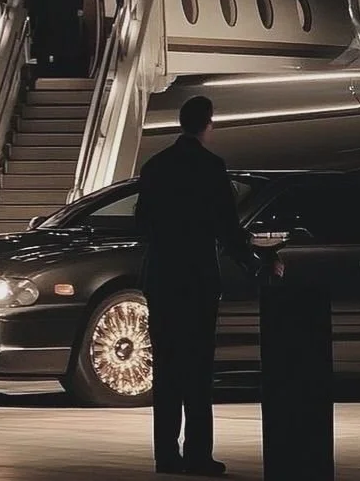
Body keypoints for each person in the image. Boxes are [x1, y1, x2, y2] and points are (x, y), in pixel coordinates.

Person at [135, 96, 281, 476]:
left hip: (162, 277)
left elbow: (142, 221)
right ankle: (199, 453)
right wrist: (253, 264)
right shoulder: (211, 167)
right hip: (197, 279)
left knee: (166, 369)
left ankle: (166, 454)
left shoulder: (155, 166)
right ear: (207, 125)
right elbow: (227, 229)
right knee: (198, 369)